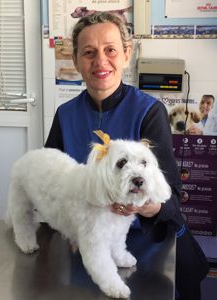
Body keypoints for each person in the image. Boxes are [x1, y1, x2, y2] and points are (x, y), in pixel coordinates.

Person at [45, 12, 209, 300]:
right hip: (91, 243)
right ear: (76, 61)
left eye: (110, 50)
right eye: (88, 52)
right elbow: (51, 181)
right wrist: (68, 225)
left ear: (126, 54)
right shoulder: (65, 115)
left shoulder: (149, 112)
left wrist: (145, 207)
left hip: (148, 243)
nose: (100, 61)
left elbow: (171, 195)